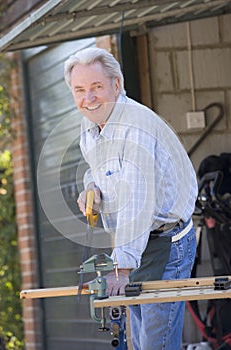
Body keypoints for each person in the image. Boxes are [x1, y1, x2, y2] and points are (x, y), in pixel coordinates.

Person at [64, 47, 198, 350]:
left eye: (96, 87)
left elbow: (138, 203)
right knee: (139, 343)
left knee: (155, 345)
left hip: (167, 244)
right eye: (80, 90)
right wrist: (92, 189)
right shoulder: (92, 124)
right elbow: (97, 168)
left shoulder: (135, 127)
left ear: (116, 84)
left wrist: (121, 269)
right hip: (137, 244)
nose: (89, 98)